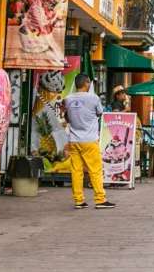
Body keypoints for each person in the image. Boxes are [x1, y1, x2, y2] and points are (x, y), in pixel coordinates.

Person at [63, 73, 114, 210]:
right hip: (89, 140)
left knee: (76, 171)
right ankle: (100, 199)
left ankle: (79, 201)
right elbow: (99, 113)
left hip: (73, 140)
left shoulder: (67, 99)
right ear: (86, 83)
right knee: (95, 170)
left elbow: (66, 116)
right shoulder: (94, 98)